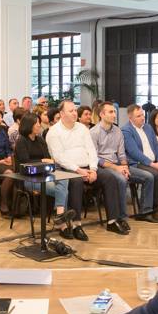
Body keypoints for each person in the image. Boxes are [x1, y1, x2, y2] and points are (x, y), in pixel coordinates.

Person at [47, 100, 127, 235]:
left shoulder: (82, 128)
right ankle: (76, 224)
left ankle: (112, 221)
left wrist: (93, 170)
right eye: (71, 111)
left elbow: (91, 151)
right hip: (67, 169)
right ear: (62, 114)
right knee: (77, 181)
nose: (74, 113)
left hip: (88, 167)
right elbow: (60, 157)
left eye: (75, 110)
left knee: (110, 178)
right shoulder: (54, 132)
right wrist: (79, 170)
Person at [15, 112, 84, 240]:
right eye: (36, 123)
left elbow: (48, 158)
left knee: (64, 180)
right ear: (29, 125)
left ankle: (60, 218)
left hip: (44, 175)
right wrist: (42, 161)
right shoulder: (21, 141)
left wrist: (45, 161)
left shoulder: (40, 140)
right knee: (63, 191)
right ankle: (61, 223)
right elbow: (25, 162)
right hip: (28, 178)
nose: (39, 125)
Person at [92, 101, 158, 228]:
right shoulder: (93, 132)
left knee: (148, 177)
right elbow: (95, 158)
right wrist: (117, 168)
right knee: (122, 180)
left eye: (114, 112)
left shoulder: (118, 131)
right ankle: (121, 217)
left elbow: (122, 154)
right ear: (101, 114)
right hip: (104, 167)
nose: (114, 114)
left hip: (119, 165)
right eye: (110, 112)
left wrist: (125, 167)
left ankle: (145, 212)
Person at [123, 104, 158, 220]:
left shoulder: (148, 127)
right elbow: (134, 152)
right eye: (138, 116)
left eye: (142, 115)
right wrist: (153, 165)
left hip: (155, 162)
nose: (142, 118)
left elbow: (157, 147)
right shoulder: (126, 130)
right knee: (156, 174)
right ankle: (155, 210)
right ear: (130, 118)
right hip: (138, 163)